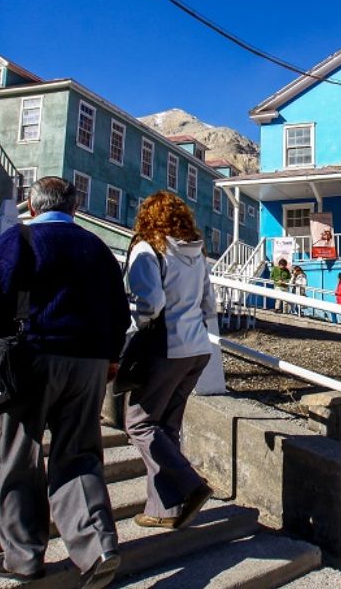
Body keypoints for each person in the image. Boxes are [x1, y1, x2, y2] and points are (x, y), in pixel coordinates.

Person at [0, 176, 128, 589]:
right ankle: (98, 546)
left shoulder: (20, 241)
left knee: (18, 456)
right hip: (88, 363)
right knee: (80, 453)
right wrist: (111, 356)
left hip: (30, 359)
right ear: (74, 208)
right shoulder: (97, 248)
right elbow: (119, 311)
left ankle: (24, 558)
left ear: (32, 206)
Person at [122, 190, 216, 530]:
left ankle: (190, 484)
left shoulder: (148, 249)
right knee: (166, 428)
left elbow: (150, 304)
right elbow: (210, 305)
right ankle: (165, 509)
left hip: (166, 346)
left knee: (139, 423)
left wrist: (135, 327)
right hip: (198, 349)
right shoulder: (197, 252)